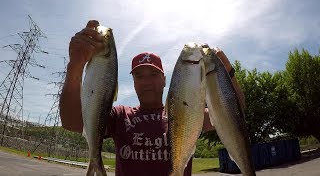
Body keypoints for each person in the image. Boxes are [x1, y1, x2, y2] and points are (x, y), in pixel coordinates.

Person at [59, 20, 245, 176]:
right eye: (139, 76)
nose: (146, 81)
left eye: (153, 75)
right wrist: (75, 65)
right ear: (132, 82)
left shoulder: (187, 113)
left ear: (164, 80)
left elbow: (233, 114)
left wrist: (228, 71)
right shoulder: (120, 115)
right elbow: (71, 122)